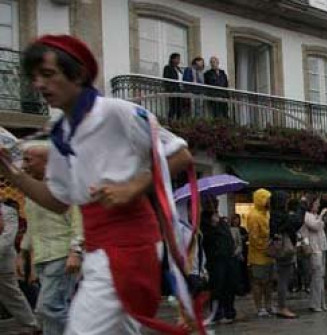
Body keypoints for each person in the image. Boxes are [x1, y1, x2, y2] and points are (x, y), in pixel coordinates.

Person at [1, 35, 195, 334]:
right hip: (98, 248)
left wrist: (132, 187)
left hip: (130, 244)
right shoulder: (61, 133)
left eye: (48, 75)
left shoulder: (118, 112)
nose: (39, 85)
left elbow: (180, 154)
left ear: (77, 74)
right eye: (35, 77)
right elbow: (58, 200)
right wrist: (15, 175)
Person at [15, 143, 83, 335]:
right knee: (55, 307)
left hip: (61, 255)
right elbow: (33, 225)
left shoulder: (64, 187)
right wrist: (23, 253)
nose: (24, 165)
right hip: (43, 257)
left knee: (49, 308)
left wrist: (75, 252)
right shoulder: (34, 190)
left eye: (29, 160)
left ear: (48, 162)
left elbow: (79, 222)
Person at [1, 197, 40, 333]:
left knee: (12, 295)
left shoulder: (8, 212)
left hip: (2, 262)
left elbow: (7, 239)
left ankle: (31, 323)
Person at [199, 197, 240, 324]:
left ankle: (229, 311)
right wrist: (213, 226)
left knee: (229, 285)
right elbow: (205, 239)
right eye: (211, 203)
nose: (214, 205)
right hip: (215, 259)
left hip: (227, 257)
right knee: (217, 286)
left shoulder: (220, 219)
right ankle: (217, 313)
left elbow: (227, 236)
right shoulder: (204, 221)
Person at [246, 188, 274, 317]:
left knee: (269, 282)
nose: (270, 202)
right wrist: (266, 246)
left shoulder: (267, 214)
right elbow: (254, 237)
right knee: (258, 281)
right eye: (267, 199)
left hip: (269, 254)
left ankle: (269, 305)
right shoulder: (253, 215)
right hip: (258, 255)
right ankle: (259, 307)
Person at [299, 197, 327, 312]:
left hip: (321, 247)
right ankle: (315, 303)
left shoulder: (315, 216)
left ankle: (322, 302)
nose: (318, 206)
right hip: (314, 248)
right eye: (316, 203)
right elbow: (315, 226)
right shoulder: (307, 216)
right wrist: (321, 215)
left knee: (321, 276)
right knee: (316, 276)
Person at [162, 52, 185, 120]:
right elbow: (166, 79)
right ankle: (170, 121)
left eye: (179, 59)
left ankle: (178, 122)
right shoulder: (168, 67)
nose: (178, 60)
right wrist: (169, 88)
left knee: (179, 108)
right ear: (172, 59)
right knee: (173, 107)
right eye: (177, 58)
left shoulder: (179, 69)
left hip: (180, 90)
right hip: (173, 90)